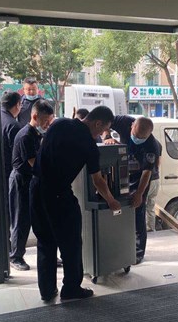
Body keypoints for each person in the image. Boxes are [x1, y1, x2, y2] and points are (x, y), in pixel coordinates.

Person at [31, 106, 122, 301]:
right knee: (71, 243)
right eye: (103, 129)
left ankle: (47, 290)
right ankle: (71, 288)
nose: (102, 133)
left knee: (45, 241)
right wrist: (111, 201)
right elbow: (98, 180)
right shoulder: (89, 145)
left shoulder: (59, 124)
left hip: (36, 189)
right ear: (97, 123)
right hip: (58, 194)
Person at [104, 116, 160, 264]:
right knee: (117, 208)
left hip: (140, 177)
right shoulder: (123, 122)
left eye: (142, 138)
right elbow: (104, 120)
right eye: (135, 135)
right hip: (121, 171)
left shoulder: (152, 146)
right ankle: (119, 246)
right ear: (132, 125)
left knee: (138, 211)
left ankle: (138, 253)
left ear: (149, 134)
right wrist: (107, 136)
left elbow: (146, 173)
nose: (137, 139)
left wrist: (139, 194)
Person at [9, 100, 54, 272]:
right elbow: (34, 163)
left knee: (42, 218)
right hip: (21, 181)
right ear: (35, 117)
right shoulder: (25, 136)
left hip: (34, 180)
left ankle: (49, 253)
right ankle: (15, 257)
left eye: (50, 121)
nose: (48, 125)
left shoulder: (38, 134)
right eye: (46, 121)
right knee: (21, 220)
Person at [146, 139, 162, 232]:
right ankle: (151, 229)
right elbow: (158, 162)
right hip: (155, 178)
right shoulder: (157, 143)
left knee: (142, 207)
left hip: (147, 180)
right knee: (151, 206)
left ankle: (141, 230)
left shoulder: (144, 143)